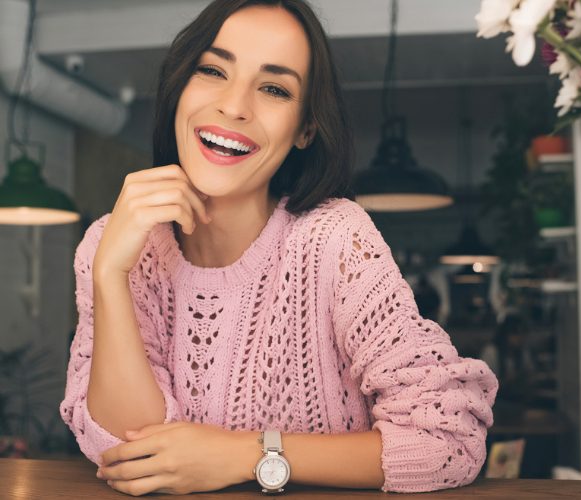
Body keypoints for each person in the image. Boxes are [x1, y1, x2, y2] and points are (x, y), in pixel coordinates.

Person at [60, 0, 498, 495]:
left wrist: (247, 455)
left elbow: (451, 441)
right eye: (212, 70)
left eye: (273, 88)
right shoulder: (113, 243)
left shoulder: (334, 239)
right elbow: (129, 453)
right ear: (179, 88)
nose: (235, 105)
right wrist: (109, 274)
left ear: (306, 129)